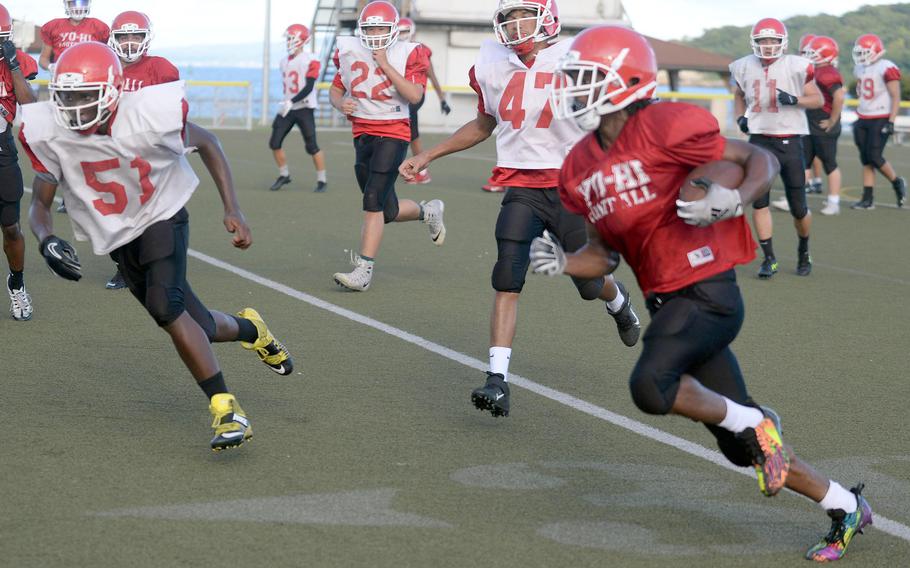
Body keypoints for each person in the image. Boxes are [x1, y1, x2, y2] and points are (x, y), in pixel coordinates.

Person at [532, 25, 874, 563]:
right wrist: (566, 262)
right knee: (746, 455)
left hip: (709, 290)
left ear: (626, 79)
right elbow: (604, 254)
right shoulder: (579, 165)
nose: (573, 89)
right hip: (667, 304)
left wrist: (732, 198)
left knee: (651, 385)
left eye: (585, 78)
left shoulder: (665, 122)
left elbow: (753, 158)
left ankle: (756, 422)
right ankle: (844, 506)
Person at [20, 42, 294, 452]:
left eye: (85, 96)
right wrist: (46, 240)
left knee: (166, 309)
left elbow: (208, 142)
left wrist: (232, 207)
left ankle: (226, 409)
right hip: (120, 237)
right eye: (67, 97)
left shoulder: (147, 115)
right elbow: (39, 204)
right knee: (197, 325)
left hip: (163, 214)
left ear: (113, 92)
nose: (74, 108)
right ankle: (253, 329)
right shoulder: (52, 134)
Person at [400, 0, 641, 418]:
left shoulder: (579, 58)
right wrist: (430, 154)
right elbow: (484, 122)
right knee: (506, 278)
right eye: (508, 19)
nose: (515, 27)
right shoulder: (491, 63)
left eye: (523, 17)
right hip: (521, 186)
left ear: (546, 17)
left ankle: (618, 301)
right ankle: (497, 381)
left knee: (588, 284)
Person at [329, 0, 444, 292]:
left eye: (381, 27)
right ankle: (427, 211)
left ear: (393, 29)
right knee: (386, 209)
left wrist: (385, 63)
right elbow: (336, 89)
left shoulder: (408, 52)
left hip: (394, 131)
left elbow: (414, 95)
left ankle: (364, 270)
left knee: (371, 201)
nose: (376, 33)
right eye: (370, 28)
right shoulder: (350, 49)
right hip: (362, 132)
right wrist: (341, 103)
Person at [731, 17, 822, 278]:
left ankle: (804, 250)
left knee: (798, 207)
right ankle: (769, 259)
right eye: (763, 40)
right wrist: (740, 117)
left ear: (782, 42)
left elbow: (817, 99)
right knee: (760, 202)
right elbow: (738, 95)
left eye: (773, 40)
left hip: (790, 140)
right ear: (754, 42)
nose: (768, 45)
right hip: (759, 141)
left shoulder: (797, 66)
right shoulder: (743, 66)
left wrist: (795, 99)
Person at [101, 10, 181, 291]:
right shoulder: (105, 67)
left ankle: (144, 268)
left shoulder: (160, 68)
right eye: (124, 36)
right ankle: (124, 264)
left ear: (147, 38)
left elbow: (174, 111)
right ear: (114, 38)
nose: (131, 42)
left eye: (137, 35)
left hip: (150, 155)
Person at [40, 0, 110, 214]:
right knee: (65, 144)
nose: (78, 5)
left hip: (90, 92)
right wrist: (52, 66)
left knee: (94, 142)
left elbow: (108, 56)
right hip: (64, 92)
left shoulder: (99, 27)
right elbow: (43, 59)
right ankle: (69, 195)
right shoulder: (54, 26)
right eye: (74, 1)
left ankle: (98, 193)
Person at [0, 3, 37, 320]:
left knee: (11, 228)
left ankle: (17, 284)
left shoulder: (16, 62)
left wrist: (12, 65)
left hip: (1, 149)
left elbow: (30, 103)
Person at [268, 23, 328, 194]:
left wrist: (291, 100)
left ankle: (322, 179)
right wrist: (288, 102)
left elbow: (309, 87)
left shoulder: (311, 59)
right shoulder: (283, 62)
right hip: (288, 108)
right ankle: (284, 174)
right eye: (287, 39)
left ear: (301, 40)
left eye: (290, 38)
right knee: (274, 142)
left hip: (304, 107)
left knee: (311, 146)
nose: (288, 42)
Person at [851, 33, 906, 209]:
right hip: (862, 117)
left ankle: (897, 182)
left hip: (881, 117)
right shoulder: (859, 68)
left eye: (864, 52)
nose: (860, 56)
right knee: (866, 159)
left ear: (874, 51)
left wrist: (891, 121)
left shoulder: (886, 67)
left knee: (874, 156)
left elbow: (896, 95)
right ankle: (868, 199)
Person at [397, 17, 451, 185]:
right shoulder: (393, 49)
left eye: (405, 31)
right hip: (400, 95)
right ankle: (419, 172)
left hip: (415, 95)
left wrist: (442, 99)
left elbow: (432, 75)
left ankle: (420, 172)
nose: (402, 35)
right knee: (411, 135)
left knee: (409, 133)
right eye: (399, 31)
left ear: (412, 31)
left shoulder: (420, 50)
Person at [803, 36, 846, 215]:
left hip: (823, 122)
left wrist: (832, 120)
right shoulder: (814, 70)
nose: (810, 54)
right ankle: (798, 200)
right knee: (803, 163)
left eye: (814, 51)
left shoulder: (829, 73)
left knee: (830, 164)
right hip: (809, 122)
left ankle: (834, 202)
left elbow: (839, 96)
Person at [798, 33, 825, 195]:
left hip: (809, 112)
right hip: (815, 112)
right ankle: (816, 180)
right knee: (813, 151)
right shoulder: (820, 66)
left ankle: (807, 182)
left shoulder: (808, 66)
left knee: (806, 150)